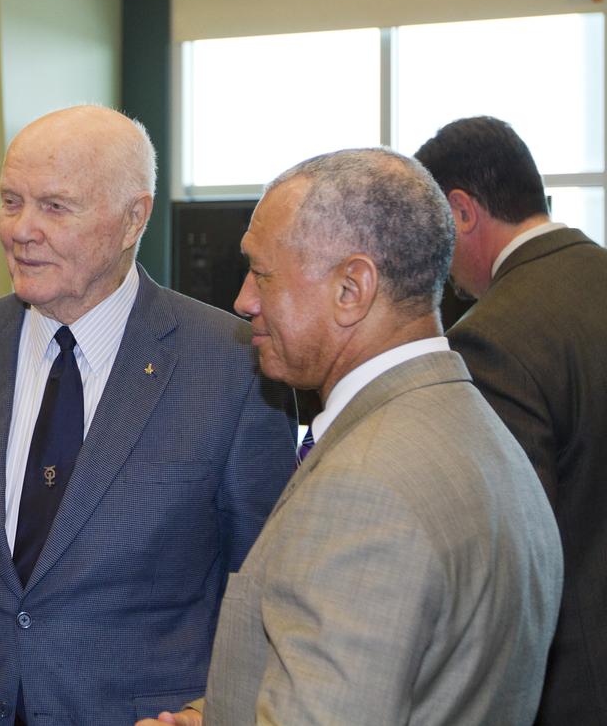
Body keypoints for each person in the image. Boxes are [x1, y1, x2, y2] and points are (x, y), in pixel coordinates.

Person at [0, 105, 297, 725]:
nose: (21, 229)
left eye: (55, 207)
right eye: (11, 201)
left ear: (133, 219)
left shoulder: (231, 366)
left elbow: (265, 594)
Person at [140, 148, 562, 725]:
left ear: (351, 288)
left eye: (262, 274)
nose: (244, 301)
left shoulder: (363, 492)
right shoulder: (479, 432)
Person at [415, 115, 607, 724]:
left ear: (462, 211)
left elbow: (514, 558)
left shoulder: (492, 339)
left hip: (572, 687)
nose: (440, 266)